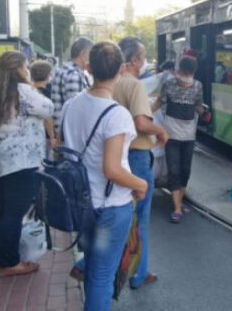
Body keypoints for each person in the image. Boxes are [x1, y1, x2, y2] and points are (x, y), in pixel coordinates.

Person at [62, 42, 148, 311]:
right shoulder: (116, 114)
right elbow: (112, 168)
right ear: (122, 69)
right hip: (109, 209)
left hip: (81, 203)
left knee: (93, 267)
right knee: (101, 277)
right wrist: (141, 184)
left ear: (89, 67)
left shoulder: (71, 105)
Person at [0, 51, 53, 277]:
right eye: (26, 66)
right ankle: (11, 263)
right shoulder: (22, 91)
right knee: (14, 212)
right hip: (20, 161)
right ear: (20, 69)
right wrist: (31, 86)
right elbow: (48, 108)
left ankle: (0, 258)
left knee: (1, 209)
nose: (28, 70)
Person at [114, 37, 167, 289]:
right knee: (139, 219)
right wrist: (160, 130)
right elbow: (141, 123)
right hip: (136, 155)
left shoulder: (109, 82)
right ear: (134, 60)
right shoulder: (133, 85)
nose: (145, 60)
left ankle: (92, 263)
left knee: (118, 213)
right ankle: (138, 273)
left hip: (115, 156)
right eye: (143, 55)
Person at [152, 55, 205, 223]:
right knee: (174, 171)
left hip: (189, 135)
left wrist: (203, 110)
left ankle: (179, 201)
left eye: (190, 73)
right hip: (171, 134)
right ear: (178, 71)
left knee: (185, 170)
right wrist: (143, 113)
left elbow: (198, 106)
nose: (187, 75)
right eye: (184, 72)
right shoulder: (168, 84)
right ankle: (176, 208)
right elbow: (158, 103)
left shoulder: (198, 86)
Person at [51, 37, 93, 134]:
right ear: (83, 55)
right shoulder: (74, 75)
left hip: (62, 131)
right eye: (92, 55)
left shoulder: (62, 70)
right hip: (70, 133)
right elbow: (76, 111)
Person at [30, 60, 57, 151]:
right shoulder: (46, 93)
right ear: (47, 76)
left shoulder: (29, 91)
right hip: (44, 135)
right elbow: (47, 118)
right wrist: (52, 136)